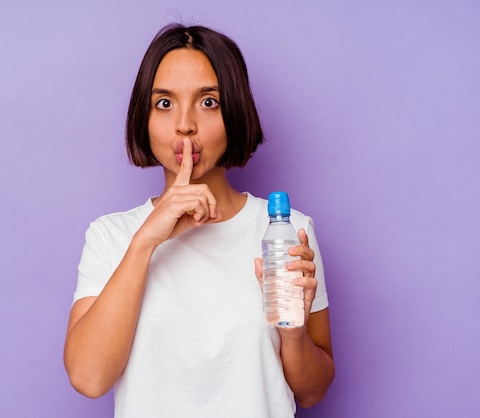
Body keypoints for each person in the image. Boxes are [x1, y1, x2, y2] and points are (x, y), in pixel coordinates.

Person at [64, 24, 334, 417]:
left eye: (209, 102)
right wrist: (145, 242)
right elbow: (89, 379)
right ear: (144, 116)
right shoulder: (111, 236)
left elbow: (313, 392)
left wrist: (293, 336)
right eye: (164, 103)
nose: (185, 124)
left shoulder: (287, 230)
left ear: (235, 112)